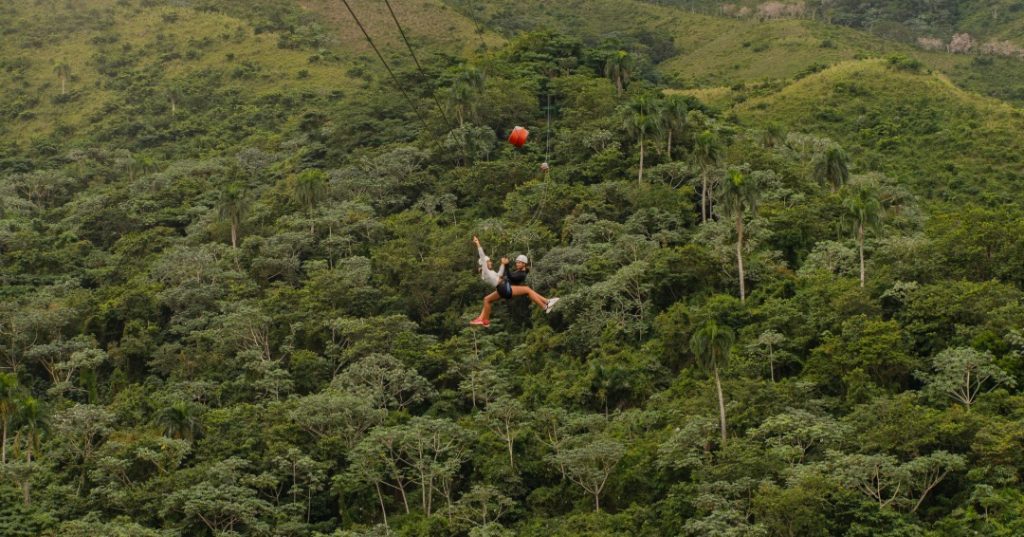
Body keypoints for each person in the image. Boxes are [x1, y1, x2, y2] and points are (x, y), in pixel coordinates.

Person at [470, 245, 559, 327]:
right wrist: (478, 244)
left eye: (519, 263)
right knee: (527, 290)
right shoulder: (487, 271)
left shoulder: (521, 273)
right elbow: (507, 275)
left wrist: (503, 264)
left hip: (502, 288)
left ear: (524, 264)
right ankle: (545, 305)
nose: (517, 264)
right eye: (517, 262)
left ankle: (483, 320)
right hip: (504, 288)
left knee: (487, 299)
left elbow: (502, 275)